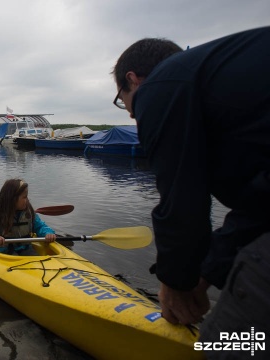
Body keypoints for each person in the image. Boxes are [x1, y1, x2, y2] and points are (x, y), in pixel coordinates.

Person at [112, 26, 270, 345]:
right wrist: (206, 274)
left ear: (133, 80)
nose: (131, 113)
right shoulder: (219, 84)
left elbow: (182, 200)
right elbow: (259, 206)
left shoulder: (160, 87)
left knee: (228, 342)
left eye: (123, 102)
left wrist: (176, 283)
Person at [0, 179, 57, 255]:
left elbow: (41, 226)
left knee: (35, 258)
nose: (27, 200)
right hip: (4, 250)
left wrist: (48, 233)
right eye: (24, 197)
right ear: (12, 198)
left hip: (25, 248)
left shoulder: (29, 213)